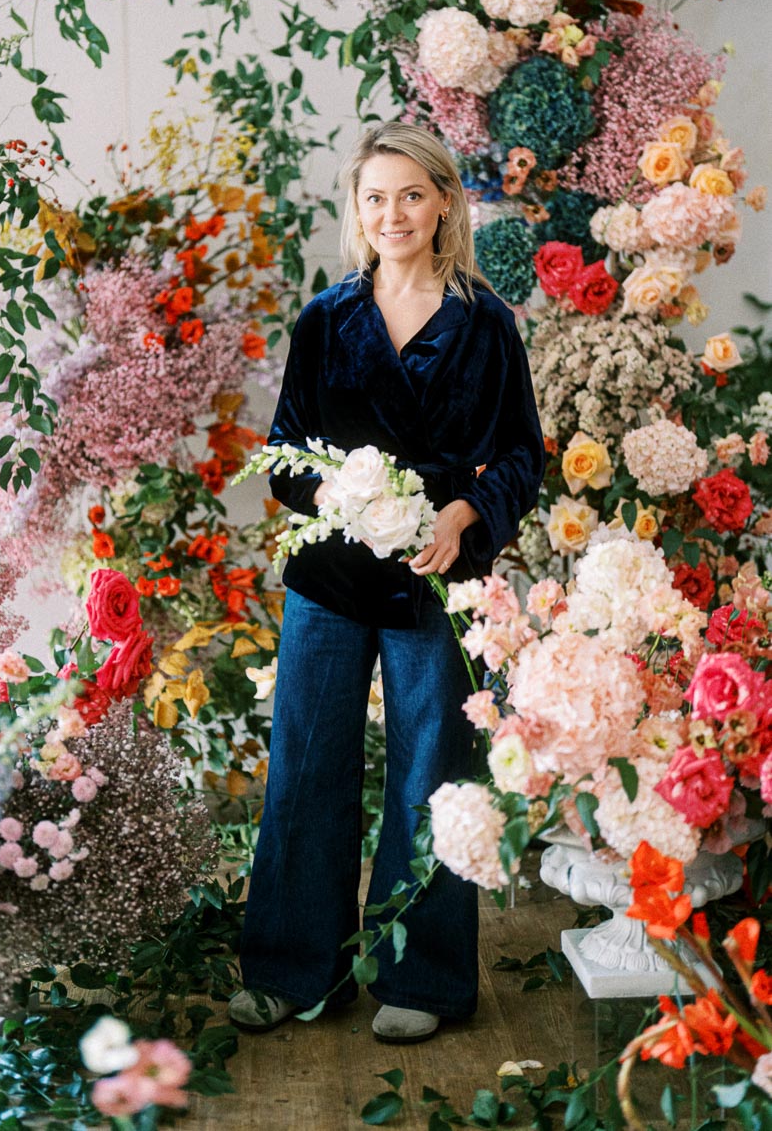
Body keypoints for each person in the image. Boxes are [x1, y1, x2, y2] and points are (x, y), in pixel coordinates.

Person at [228, 121, 545, 1043]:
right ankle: (294, 969)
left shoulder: (485, 323)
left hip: (434, 576)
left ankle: (425, 976)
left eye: (411, 195)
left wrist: (464, 514)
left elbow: (521, 455)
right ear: (357, 211)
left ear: (444, 202)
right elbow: (284, 452)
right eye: (376, 198)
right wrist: (329, 490)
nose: (393, 213)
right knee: (305, 764)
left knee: (432, 773)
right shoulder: (326, 319)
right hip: (330, 575)